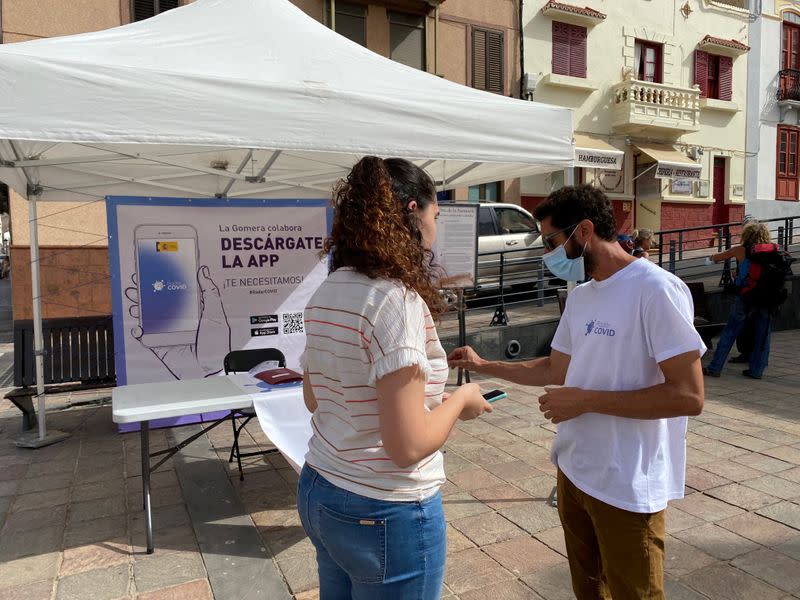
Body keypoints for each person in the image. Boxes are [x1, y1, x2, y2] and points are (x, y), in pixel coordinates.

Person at [448, 184, 705, 600]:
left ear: (584, 231)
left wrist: (583, 400)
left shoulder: (656, 289)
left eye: (552, 241)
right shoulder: (580, 294)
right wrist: (483, 366)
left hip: (627, 484)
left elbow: (689, 396)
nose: (547, 253)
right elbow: (554, 368)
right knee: (587, 591)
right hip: (574, 473)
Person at [298, 156, 492, 599]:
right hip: (383, 507)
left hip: (321, 488)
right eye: (435, 215)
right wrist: (461, 401)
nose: (436, 228)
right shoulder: (393, 301)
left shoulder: (328, 291)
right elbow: (406, 447)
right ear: (411, 212)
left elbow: (314, 396)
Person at [703, 220, 776, 379]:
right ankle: (756, 371)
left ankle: (715, 368)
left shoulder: (740, 250)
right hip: (766, 299)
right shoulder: (772, 250)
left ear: (746, 235)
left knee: (730, 332)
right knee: (763, 335)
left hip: (745, 298)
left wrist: (710, 259)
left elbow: (716, 258)